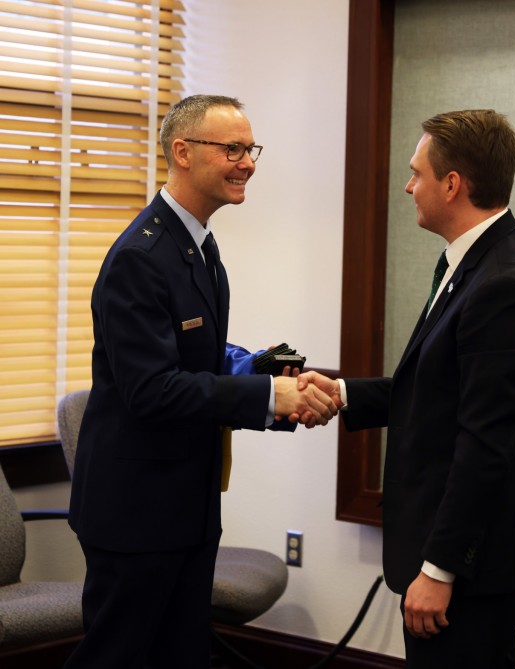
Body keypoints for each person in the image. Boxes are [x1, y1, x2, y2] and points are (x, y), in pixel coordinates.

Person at [64, 95, 338, 669]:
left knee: (182, 657)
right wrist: (268, 398)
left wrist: (269, 373)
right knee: (117, 659)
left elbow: (201, 356)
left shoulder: (198, 247)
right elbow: (153, 390)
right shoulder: (140, 257)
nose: (248, 163)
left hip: (186, 502)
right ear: (183, 152)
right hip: (137, 510)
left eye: (250, 149)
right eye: (232, 149)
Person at [299, 110, 515, 668]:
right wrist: (343, 393)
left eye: (417, 172)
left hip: (471, 565)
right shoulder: (467, 264)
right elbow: (438, 392)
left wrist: (440, 569)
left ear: (452, 184)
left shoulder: (503, 284)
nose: (408, 185)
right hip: (461, 553)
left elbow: (486, 443)